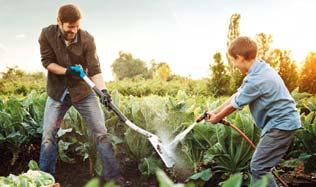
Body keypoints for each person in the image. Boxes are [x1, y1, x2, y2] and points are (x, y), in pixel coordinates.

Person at [38, 4, 123, 184]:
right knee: (48, 136)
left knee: (101, 132)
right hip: (58, 92)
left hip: (83, 92)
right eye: (70, 26)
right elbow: (47, 62)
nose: (74, 30)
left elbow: (95, 69)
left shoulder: (87, 39)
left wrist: (103, 92)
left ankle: (114, 179)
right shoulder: (46, 34)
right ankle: (46, 180)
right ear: (59, 22)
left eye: (77, 26)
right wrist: (68, 71)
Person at [206, 36, 301, 186]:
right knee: (262, 166)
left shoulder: (257, 79)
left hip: (281, 125)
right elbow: (236, 96)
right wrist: (213, 111)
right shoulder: (260, 69)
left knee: (259, 168)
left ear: (239, 57)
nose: (234, 65)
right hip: (282, 123)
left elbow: (234, 105)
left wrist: (217, 118)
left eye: (233, 60)